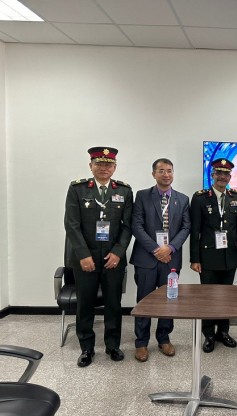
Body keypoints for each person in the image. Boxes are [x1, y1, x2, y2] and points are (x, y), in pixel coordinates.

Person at [64, 147, 133, 367]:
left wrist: (118, 252)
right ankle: (86, 348)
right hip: (86, 259)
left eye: (108, 164)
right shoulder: (77, 189)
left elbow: (127, 226)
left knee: (113, 303)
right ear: (91, 165)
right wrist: (83, 255)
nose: (104, 168)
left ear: (115, 167)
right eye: (99, 164)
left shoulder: (124, 191)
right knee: (85, 304)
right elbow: (72, 225)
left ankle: (113, 345)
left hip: (113, 258)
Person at [130, 158, 191, 362]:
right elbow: (136, 225)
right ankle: (141, 342)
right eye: (162, 171)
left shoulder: (182, 199)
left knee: (169, 299)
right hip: (146, 258)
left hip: (171, 259)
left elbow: (186, 227)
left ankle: (164, 338)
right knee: (144, 300)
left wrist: (170, 248)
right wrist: (156, 249)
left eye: (170, 171)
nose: (166, 174)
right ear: (153, 174)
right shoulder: (142, 196)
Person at [190, 158, 237, 353]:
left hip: (230, 255)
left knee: (226, 296)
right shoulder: (200, 198)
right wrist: (194, 259)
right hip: (208, 256)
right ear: (212, 175)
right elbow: (195, 230)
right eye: (219, 173)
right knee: (208, 297)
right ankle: (209, 334)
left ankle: (223, 332)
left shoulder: (235, 197)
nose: (222, 177)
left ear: (230, 177)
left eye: (226, 174)